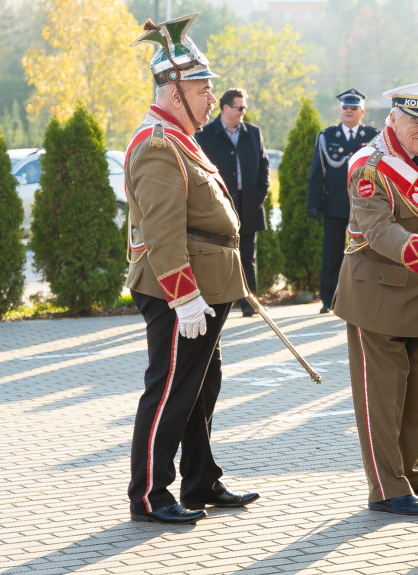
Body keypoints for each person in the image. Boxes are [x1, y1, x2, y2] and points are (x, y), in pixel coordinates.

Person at [125, 14, 259, 525]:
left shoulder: (181, 136)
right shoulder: (159, 143)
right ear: (172, 89)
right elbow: (162, 233)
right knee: (169, 391)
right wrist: (184, 298)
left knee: (201, 387)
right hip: (180, 292)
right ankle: (149, 495)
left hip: (207, 287)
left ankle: (200, 480)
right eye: (202, 88)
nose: (211, 98)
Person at [333, 80, 418, 517]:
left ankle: (413, 472)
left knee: (417, 396)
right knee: (382, 399)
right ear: (392, 117)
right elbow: (379, 230)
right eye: (416, 121)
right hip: (377, 294)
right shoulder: (369, 167)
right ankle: (386, 488)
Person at [195, 88, 270, 317]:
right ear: (225, 108)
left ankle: (250, 304)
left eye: (244, 108)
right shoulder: (205, 135)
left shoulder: (253, 133)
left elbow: (264, 166)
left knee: (247, 256)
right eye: (239, 107)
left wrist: (258, 195)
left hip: (248, 205)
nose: (242, 112)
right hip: (218, 207)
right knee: (218, 258)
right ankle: (218, 306)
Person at [306, 88, 380, 314]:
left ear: (362, 111)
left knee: (367, 253)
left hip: (366, 205)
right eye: (345, 107)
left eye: (354, 108)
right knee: (332, 254)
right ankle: (329, 299)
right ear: (339, 110)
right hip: (335, 205)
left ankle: (365, 298)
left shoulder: (374, 136)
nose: (349, 111)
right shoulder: (326, 136)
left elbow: (380, 173)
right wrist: (313, 202)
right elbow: (317, 172)